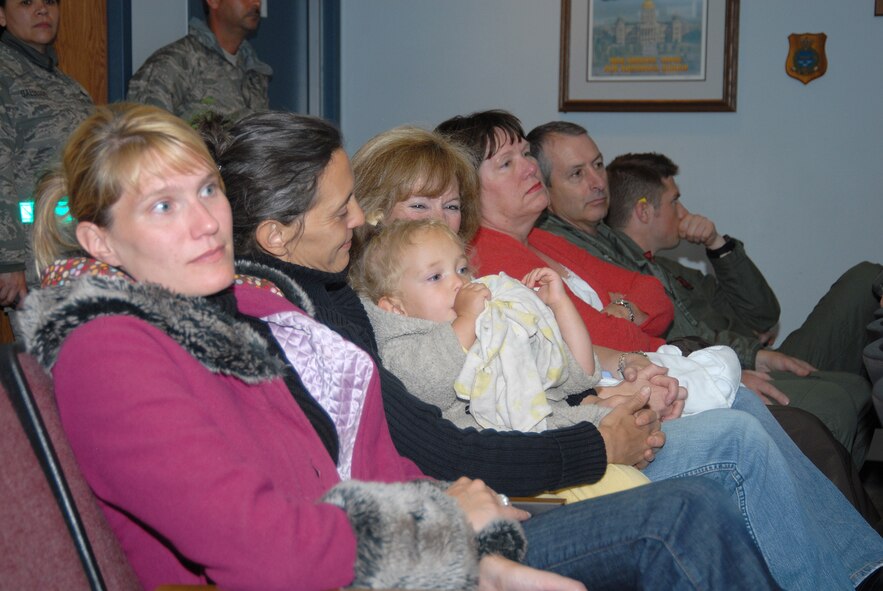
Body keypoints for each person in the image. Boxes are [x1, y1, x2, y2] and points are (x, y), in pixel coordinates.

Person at [11, 102, 780, 591]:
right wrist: (453, 530)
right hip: (347, 569)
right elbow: (266, 550)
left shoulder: (237, 309)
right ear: (98, 240)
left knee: (690, 504)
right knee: (682, 512)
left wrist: (485, 555)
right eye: (163, 205)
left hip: (395, 552)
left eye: (208, 190)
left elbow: (366, 461)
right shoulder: (108, 349)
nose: (204, 220)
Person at [436, 108, 883, 589]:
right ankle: (850, 576)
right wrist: (626, 343)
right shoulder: (488, 262)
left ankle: (861, 570)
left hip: (629, 377)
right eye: (506, 163)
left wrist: (631, 350)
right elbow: (594, 342)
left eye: (525, 153)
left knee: (747, 407)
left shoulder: (543, 241)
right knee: (744, 430)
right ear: (469, 190)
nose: (528, 167)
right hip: (587, 420)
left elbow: (652, 300)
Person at [526, 121, 881, 521]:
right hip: (677, 374)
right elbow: (626, 329)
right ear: (543, 187)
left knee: (850, 375)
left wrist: (718, 247)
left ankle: (845, 536)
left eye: (598, 165)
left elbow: (727, 312)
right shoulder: (554, 244)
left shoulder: (638, 253)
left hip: (709, 361)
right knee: (833, 400)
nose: (597, 182)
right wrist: (744, 359)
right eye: (577, 173)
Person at [0, 0, 93, 306]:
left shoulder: (66, 84)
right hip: (35, 258)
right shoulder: (6, 75)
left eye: (50, 1)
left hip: (79, 250)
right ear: (1, 14)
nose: (42, 10)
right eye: (27, 2)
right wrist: (8, 260)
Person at [127, 0, 271, 123]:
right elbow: (145, 141)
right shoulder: (174, 63)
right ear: (213, 1)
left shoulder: (254, 72)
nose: (256, 2)